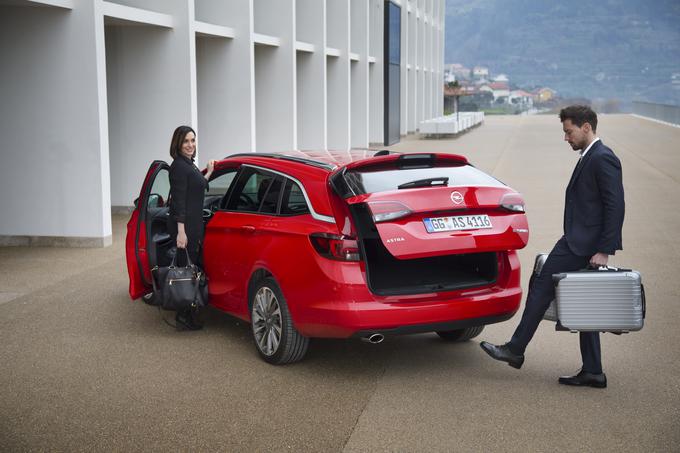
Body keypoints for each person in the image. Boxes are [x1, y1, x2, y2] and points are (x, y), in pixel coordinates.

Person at [480, 105, 625, 388]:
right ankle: (593, 371)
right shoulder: (590, 156)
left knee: (542, 285)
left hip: (581, 244)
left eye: (569, 132)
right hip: (580, 241)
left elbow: (615, 205)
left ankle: (515, 349)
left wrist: (605, 248)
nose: (566, 138)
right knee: (585, 304)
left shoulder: (603, 157)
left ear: (586, 127)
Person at [167, 125, 216, 330]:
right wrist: (181, 231)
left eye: (193, 140)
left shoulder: (189, 164)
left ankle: (189, 312)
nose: (190, 145)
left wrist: (210, 172)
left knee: (191, 268)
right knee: (185, 272)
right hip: (185, 228)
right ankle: (183, 317)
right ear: (178, 143)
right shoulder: (178, 166)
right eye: (186, 141)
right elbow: (178, 201)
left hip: (194, 226)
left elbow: (197, 188)